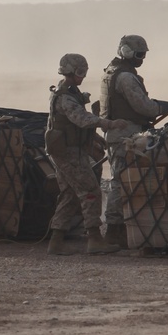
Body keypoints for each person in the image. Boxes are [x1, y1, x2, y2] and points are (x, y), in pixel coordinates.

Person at [99, 34, 168, 247]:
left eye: (144, 54)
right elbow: (142, 106)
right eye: (139, 54)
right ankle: (113, 232)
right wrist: (165, 107)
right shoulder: (125, 77)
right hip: (124, 136)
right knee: (120, 182)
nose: (142, 59)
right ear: (127, 52)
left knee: (123, 180)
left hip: (119, 134)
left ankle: (122, 230)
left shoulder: (111, 72)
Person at [45, 53, 119, 255]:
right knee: (91, 191)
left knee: (70, 194)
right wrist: (108, 124)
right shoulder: (65, 97)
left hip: (69, 150)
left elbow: (71, 125)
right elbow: (81, 119)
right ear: (68, 72)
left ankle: (56, 241)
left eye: (84, 72)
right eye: (79, 72)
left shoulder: (70, 93)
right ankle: (95, 239)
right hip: (68, 153)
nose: (82, 76)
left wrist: (94, 138)